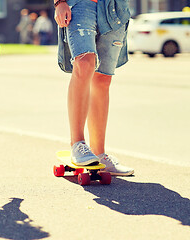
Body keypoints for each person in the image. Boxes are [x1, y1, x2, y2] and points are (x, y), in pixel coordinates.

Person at [54, 0, 134, 176]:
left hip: (114, 7)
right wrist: (59, 2)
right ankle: (77, 143)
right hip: (80, 4)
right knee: (84, 63)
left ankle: (99, 153)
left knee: (103, 79)